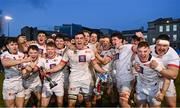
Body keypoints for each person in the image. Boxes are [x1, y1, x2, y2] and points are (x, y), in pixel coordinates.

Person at [45, 31, 107, 107]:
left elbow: (95, 65)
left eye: (81, 38)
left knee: (88, 103)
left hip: (87, 80)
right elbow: (60, 65)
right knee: (71, 104)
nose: (79, 40)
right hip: (74, 80)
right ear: (74, 40)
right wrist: (49, 70)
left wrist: (104, 72)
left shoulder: (90, 51)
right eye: (77, 38)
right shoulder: (69, 52)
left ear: (85, 40)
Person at [134, 41, 170, 107]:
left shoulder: (157, 62)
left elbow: (167, 78)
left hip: (154, 90)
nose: (142, 54)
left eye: (145, 51)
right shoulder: (136, 57)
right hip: (140, 88)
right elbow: (134, 63)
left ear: (149, 51)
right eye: (140, 51)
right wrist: (135, 66)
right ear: (137, 51)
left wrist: (162, 93)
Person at [150, 34, 179, 107]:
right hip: (152, 79)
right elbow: (139, 49)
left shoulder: (173, 55)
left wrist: (157, 68)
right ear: (155, 44)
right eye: (159, 45)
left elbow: (174, 75)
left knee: (171, 105)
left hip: (166, 80)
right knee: (153, 105)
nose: (161, 48)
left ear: (169, 46)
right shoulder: (150, 49)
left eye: (165, 46)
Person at [0, 38, 32, 107]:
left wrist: (30, 68)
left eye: (16, 44)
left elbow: (24, 68)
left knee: (20, 106)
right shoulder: (5, 54)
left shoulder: (21, 54)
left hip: (20, 83)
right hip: (10, 84)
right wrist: (23, 60)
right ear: (7, 46)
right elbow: (6, 63)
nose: (14, 46)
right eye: (12, 45)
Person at [111, 32, 137, 107]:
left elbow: (138, 48)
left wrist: (141, 39)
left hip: (127, 79)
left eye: (115, 39)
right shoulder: (116, 51)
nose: (113, 42)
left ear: (121, 40)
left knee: (122, 101)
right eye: (112, 40)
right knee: (124, 101)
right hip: (119, 79)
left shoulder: (128, 47)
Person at [35, 42, 65, 107]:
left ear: (55, 50)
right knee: (43, 106)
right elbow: (36, 68)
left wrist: (47, 71)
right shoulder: (42, 59)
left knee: (60, 104)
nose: (50, 51)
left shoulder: (60, 58)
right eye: (48, 49)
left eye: (52, 49)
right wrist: (33, 68)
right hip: (47, 84)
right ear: (46, 50)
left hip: (58, 83)